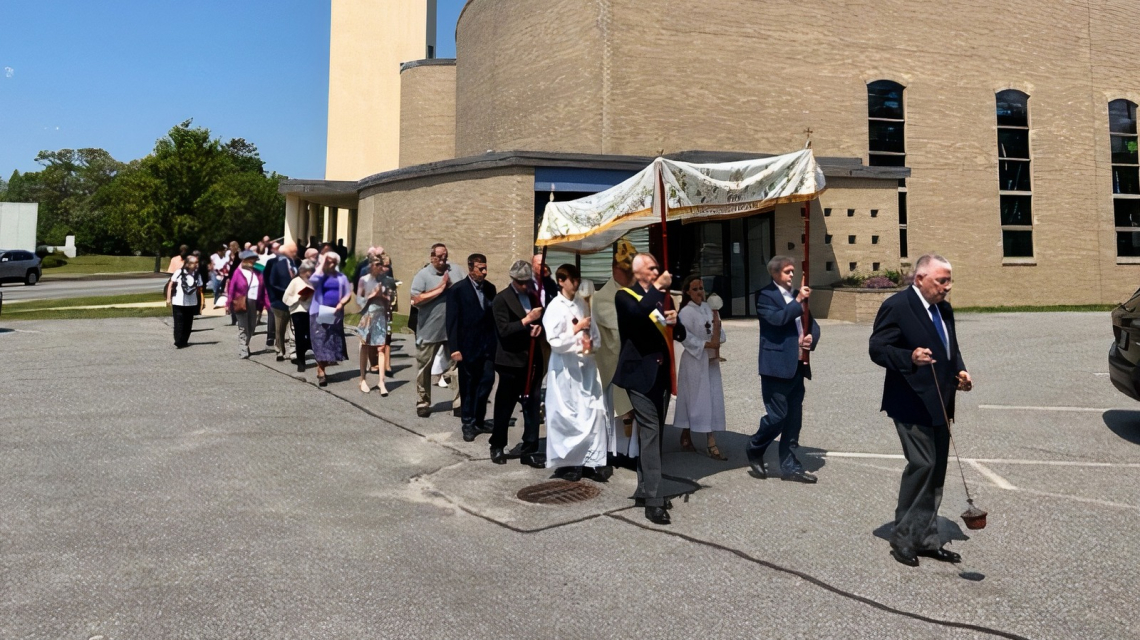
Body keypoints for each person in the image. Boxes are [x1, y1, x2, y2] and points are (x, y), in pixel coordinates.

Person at [869, 254, 973, 568]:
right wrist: (909, 357)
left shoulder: (944, 309)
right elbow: (877, 348)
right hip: (910, 400)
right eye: (941, 281)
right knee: (922, 464)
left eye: (949, 280)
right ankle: (903, 538)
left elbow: (950, 348)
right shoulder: (898, 306)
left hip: (942, 400)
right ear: (920, 279)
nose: (947, 287)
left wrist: (962, 372)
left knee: (936, 471)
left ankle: (927, 540)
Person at [613, 253, 685, 525]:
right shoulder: (625, 296)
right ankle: (654, 501)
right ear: (639, 271)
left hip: (662, 376)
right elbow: (636, 316)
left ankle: (645, 488)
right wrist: (658, 289)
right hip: (639, 376)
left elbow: (680, 335)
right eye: (652, 268)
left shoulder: (662, 297)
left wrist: (675, 322)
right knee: (652, 433)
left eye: (657, 268)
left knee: (652, 436)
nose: (657, 271)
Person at [747, 256, 821, 483]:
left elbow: (813, 324)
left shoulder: (799, 295)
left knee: (793, 419)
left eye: (792, 271)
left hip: (798, 366)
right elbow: (777, 320)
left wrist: (811, 338)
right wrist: (798, 300)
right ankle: (755, 447)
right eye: (787, 271)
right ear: (775, 274)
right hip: (776, 367)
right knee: (777, 416)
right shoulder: (765, 296)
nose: (792, 275)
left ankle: (790, 466)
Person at [543, 264, 611, 482]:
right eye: (572, 279)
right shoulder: (555, 306)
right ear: (561, 281)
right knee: (567, 414)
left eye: (578, 279)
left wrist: (592, 340)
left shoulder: (582, 304)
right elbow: (554, 340)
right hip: (566, 368)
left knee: (593, 411)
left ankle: (593, 460)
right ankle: (570, 461)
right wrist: (576, 329)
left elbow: (594, 332)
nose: (576, 283)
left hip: (586, 365)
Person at [489, 260, 546, 466]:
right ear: (513, 280)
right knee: (505, 406)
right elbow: (503, 330)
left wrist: (539, 327)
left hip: (532, 361)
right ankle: (497, 444)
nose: (525, 285)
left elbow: (541, 321)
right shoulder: (501, 299)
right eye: (521, 282)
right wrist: (527, 320)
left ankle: (529, 447)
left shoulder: (533, 295)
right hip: (510, 361)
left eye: (527, 281)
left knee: (531, 405)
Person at [593, 239, 639, 468]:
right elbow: (617, 331)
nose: (631, 275)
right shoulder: (602, 297)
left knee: (636, 415)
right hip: (614, 364)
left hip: (635, 362)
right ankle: (614, 452)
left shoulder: (639, 292)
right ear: (614, 269)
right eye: (626, 270)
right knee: (618, 415)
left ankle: (632, 453)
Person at [445, 253, 499, 442]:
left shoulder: (491, 289)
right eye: (480, 269)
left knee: (486, 382)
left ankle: (479, 419)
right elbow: (451, 322)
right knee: (468, 386)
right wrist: (454, 348)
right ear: (470, 268)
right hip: (467, 347)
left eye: (485, 268)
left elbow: (493, 318)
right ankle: (468, 422)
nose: (484, 272)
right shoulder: (458, 291)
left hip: (487, 346)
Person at [674, 275, 728, 460]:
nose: (699, 292)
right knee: (693, 398)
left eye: (701, 288)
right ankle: (686, 431)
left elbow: (719, 331)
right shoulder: (685, 313)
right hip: (694, 361)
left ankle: (710, 440)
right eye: (695, 289)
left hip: (711, 362)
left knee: (711, 398)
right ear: (688, 292)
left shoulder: (709, 309)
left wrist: (717, 336)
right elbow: (684, 336)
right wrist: (704, 345)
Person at [410, 243, 464, 418]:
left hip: (452, 330)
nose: (443, 259)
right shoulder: (423, 275)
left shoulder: (456, 270)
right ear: (432, 257)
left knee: (457, 366)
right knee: (424, 368)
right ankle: (423, 402)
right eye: (439, 256)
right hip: (428, 330)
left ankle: (459, 403)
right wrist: (440, 288)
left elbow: (465, 291)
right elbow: (416, 299)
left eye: (445, 255)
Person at [309, 252, 353, 386]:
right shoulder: (320, 275)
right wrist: (322, 264)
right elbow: (313, 281)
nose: (331, 263)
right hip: (318, 311)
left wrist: (341, 304)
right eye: (329, 261)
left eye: (333, 261)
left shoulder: (341, 277)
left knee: (331, 340)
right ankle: (321, 370)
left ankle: (324, 364)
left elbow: (348, 293)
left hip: (335, 312)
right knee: (320, 340)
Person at [355, 255, 392, 395]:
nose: (379, 267)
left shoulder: (385, 281)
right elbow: (359, 300)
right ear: (370, 266)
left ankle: (381, 381)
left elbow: (390, 300)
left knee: (381, 348)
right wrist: (372, 294)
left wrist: (384, 296)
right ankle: (363, 379)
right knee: (364, 346)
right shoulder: (363, 280)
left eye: (380, 265)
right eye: (376, 264)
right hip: (367, 315)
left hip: (380, 316)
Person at [226, 250, 270, 359]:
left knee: (252, 326)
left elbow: (263, 288)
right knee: (243, 327)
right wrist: (228, 303)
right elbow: (231, 289)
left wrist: (266, 303)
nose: (253, 262)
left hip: (253, 302)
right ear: (244, 260)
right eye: (250, 260)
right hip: (241, 301)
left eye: (254, 260)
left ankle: (246, 344)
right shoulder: (238, 272)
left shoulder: (258, 273)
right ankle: (243, 348)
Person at [283, 259, 316, 373]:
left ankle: (310, 349)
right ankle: (301, 362)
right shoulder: (295, 281)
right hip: (297, 310)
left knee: (310, 334)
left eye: (311, 271)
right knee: (300, 336)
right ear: (302, 270)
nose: (309, 273)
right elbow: (286, 297)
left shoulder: (313, 281)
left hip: (310, 310)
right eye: (307, 271)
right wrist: (299, 298)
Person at [267, 242, 298, 362]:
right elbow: (272, 282)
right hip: (280, 302)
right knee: (280, 328)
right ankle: (279, 350)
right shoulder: (277, 265)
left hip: (295, 302)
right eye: (293, 251)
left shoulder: (296, 264)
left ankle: (293, 352)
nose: (295, 253)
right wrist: (287, 292)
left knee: (294, 328)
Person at [166, 252, 203, 348]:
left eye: (197, 262)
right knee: (178, 322)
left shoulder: (197, 275)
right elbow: (171, 284)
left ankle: (184, 340)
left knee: (188, 323)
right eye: (195, 263)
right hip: (178, 302)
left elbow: (199, 290)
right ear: (187, 264)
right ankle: (178, 340)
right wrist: (168, 298)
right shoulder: (179, 272)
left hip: (191, 303)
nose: (197, 265)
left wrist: (201, 303)